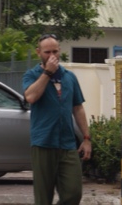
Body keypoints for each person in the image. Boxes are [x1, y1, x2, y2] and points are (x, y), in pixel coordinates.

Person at [23, 33, 92, 205]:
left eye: (55, 51)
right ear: (38, 52)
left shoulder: (69, 77)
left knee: (73, 193)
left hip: (67, 144)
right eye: (47, 52)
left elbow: (78, 108)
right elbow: (30, 97)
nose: (52, 56)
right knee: (43, 197)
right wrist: (47, 73)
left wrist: (86, 138)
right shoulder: (32, 75)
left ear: (60, 51)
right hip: (43, 143)